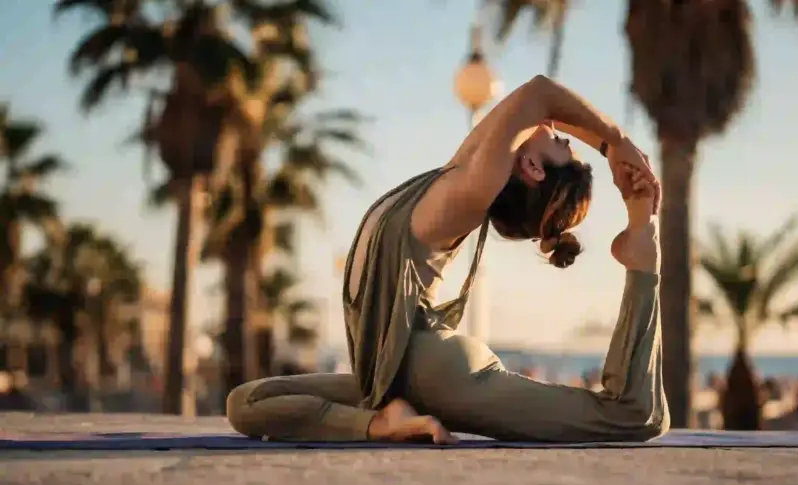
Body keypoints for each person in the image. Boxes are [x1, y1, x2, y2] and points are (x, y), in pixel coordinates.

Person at [226, 74, 669, 444]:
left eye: (558, 141)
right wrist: (608, 146)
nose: (555, 126)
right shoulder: (459, 172)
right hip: (392, 375)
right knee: (247, 402)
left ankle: (642, 253)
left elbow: (539, 95)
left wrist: (616, 144)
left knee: (631, 415)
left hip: (432, 371)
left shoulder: (471, 189)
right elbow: (538, 104)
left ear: (532, 168)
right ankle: (381, 421)